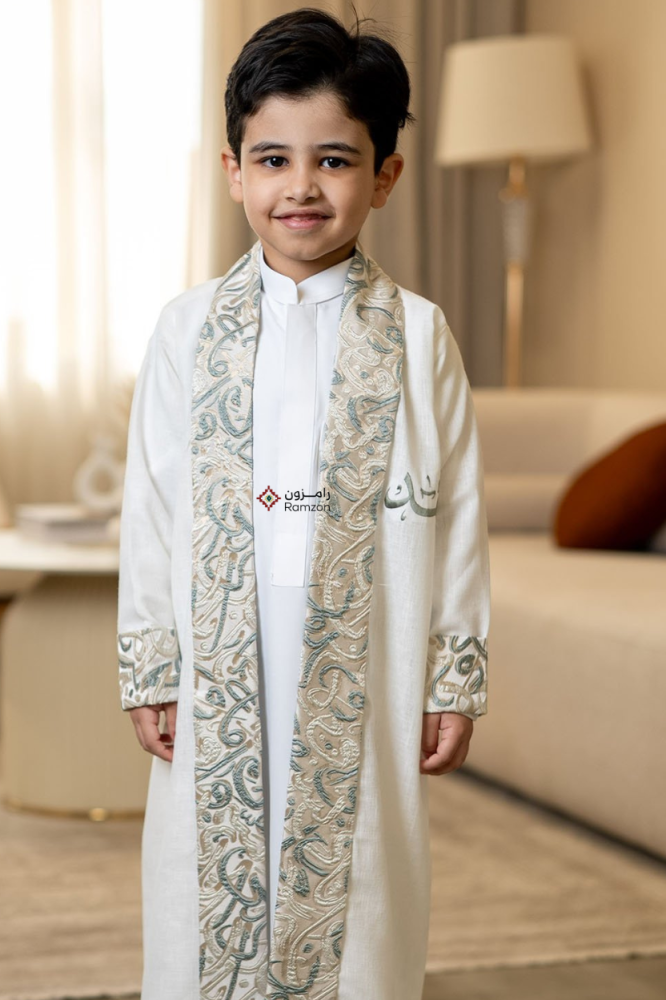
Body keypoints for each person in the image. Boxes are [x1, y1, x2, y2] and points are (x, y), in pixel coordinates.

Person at [116, 7, 490, 1000]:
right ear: (233, 169)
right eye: (273, 159)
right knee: (209, 856)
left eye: (334, 160)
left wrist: (452, 676)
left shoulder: (420, 336)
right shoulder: (186, 330)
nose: (301, 187)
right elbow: (151, 503)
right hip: (220, 645)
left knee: (358, 863)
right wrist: (152, 657)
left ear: (385, 175)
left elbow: (458, 513)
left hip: (369, 642)